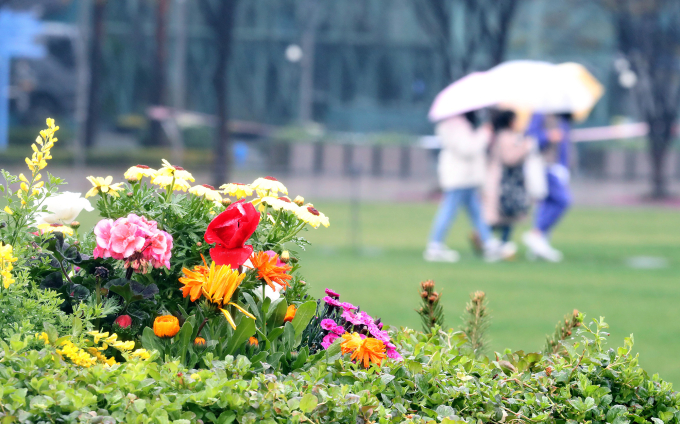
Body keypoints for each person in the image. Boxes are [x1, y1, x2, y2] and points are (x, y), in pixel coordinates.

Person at [424, 111, 502, 262]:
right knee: (449, 210)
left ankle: (488, 242)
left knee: (476, 211)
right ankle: (435, 245)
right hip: (459, 176)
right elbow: (468, 148)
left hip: (466, 176)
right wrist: (484, 133)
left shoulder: (458, 125)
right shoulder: (457, 127)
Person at [482, 110, 533, 260]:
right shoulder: (505, 136)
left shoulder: (500, 135)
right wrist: (525, 146)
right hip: (503, 183)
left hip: (507, 183)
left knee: (508, 217)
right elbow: (509, 158)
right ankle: (491, 243)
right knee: (502, 216)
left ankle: (498, 244)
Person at [522, 113, 573, 262]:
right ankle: (537, 234)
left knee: (547, 203)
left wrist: (564, 166)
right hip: (544, 166)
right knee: (563, 200)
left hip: (557, 167)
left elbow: (564, 147)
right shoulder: (540, 114)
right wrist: (547, 136)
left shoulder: (562, 118)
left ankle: (538, 245)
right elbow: (531, 138)